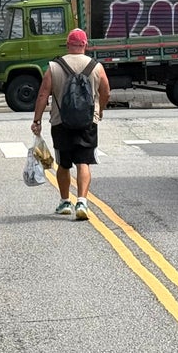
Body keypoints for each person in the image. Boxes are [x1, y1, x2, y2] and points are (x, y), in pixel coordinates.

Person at [31, 28, 110, 221]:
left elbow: (43, 94)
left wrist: (37, 120)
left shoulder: (54, 66)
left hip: (61, 122)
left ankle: (65, 201)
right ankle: (82, 200)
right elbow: (106, 92)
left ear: (67, 45)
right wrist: (100, 110)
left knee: (64, 164)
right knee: (83, 162)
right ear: (85, 45)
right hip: (87, 122)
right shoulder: (96, 66)